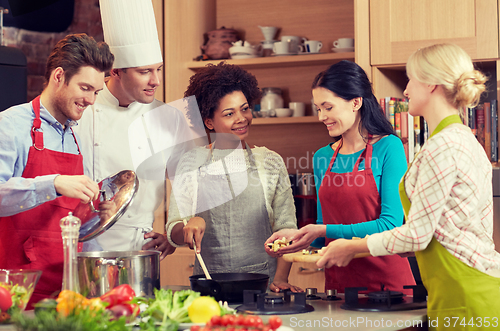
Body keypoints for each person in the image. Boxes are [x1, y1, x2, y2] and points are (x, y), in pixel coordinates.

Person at [316, 44, 500, 327]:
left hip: (463, 290)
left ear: (431, 85)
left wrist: (352, 247)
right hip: (468, 284)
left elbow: (417, 235)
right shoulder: (463, 139)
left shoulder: (442, 146)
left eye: (411, 79)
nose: (406, 90)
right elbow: (454, 229)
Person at [266, 60, 415, 294]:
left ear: (356, 102)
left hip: (388, 286)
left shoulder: (389, 147)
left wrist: (322, 230)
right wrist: (296, 240)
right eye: (318, 108)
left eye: (328, 107)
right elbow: (324, 229)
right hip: (339, 286)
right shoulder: (322, 157)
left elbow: (390, 225)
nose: (321, 116)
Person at [75, 0, 193, 259]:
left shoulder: (169, 118)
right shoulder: (81, 110)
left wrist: (172, 234)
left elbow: (188, 184)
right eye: (145, 72)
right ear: (115, 71)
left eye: (158, 69)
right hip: (84, 247)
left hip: (142, 249)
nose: (156, 81)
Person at [166, 63, 302, 293]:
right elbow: (173, 231)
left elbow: (287, 228)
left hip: (263, 286)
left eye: (245, 109)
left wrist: (280, 278)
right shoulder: (190, 162)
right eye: (229, 114)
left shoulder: (270, 162)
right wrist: (188, 226)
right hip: (208, 285)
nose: (242, 118)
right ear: (209, 122)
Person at [0, 33, 114, 306]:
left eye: (96, 92)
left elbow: (68, 219)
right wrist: (52, 183)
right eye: (85, 88)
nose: (91, 101)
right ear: (59, 76)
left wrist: (96, 215)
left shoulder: (75, 138)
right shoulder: (10, 125)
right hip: (17, 290)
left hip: (66, 290)